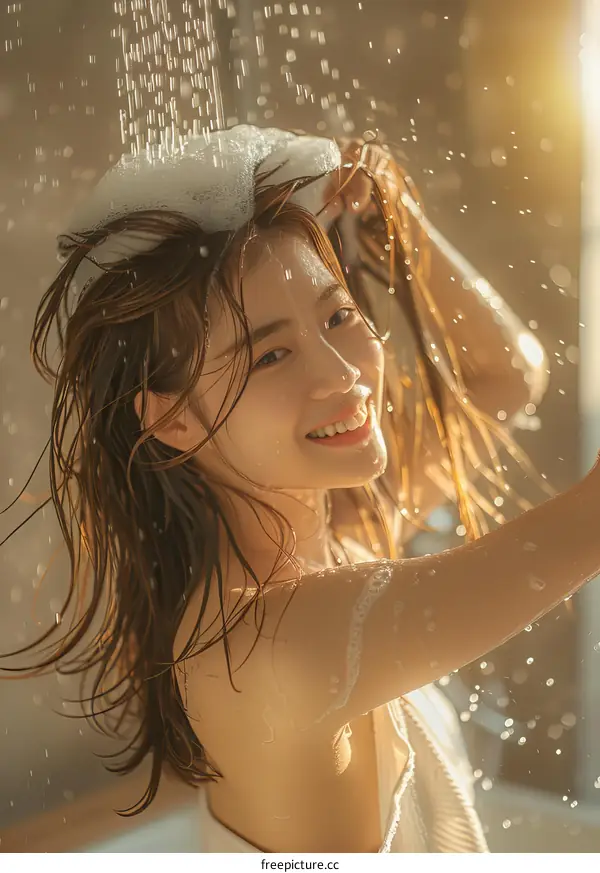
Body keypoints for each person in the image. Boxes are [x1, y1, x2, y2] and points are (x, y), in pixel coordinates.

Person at [2, 124, 598, 853]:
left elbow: (504, 379)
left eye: (339, 315)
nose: (343, 373)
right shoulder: (273, 644)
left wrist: (401, 224)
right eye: (272, 354)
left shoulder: (330, 532)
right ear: (176, 418)